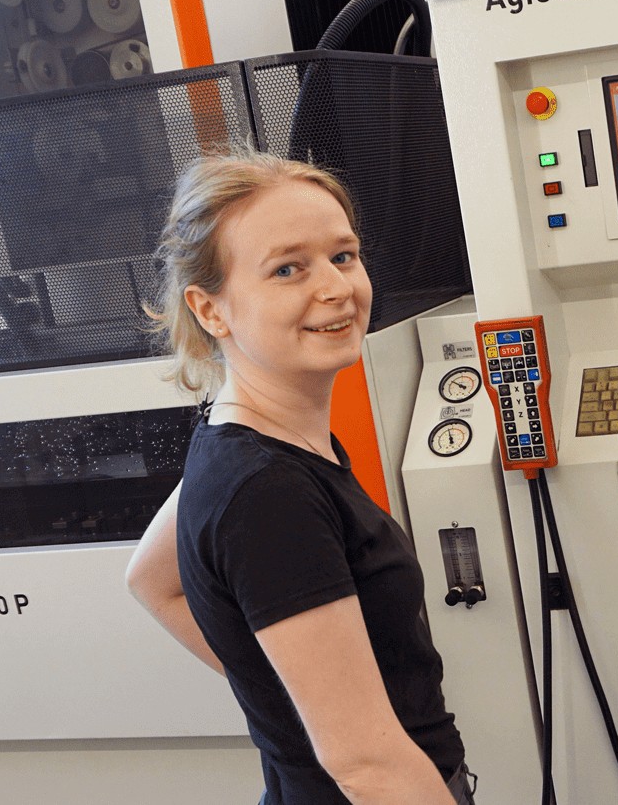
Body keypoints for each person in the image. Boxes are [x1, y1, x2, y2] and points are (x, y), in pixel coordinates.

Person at [126, 148, 475, 804]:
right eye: (288, 269)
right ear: (211, 309)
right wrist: (325, 732)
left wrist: (292, 702)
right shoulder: (267, 492)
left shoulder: (244, 438)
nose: (336, 287)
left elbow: (151, 578)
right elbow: (367, 765)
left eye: (343, 256)